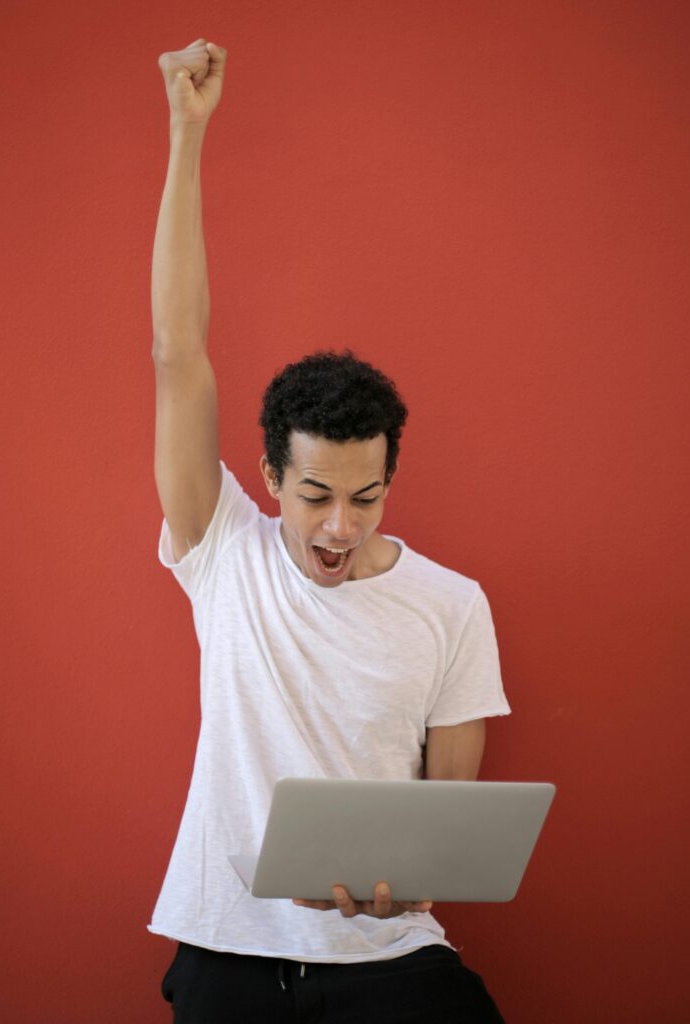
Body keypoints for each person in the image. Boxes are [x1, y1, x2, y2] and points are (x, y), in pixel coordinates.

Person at [150, 38, 511, 1023]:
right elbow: (177, 353)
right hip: (230, 952)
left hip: (390, 962)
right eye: (313, 495)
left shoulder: (450, 605)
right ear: (267, 477)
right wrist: (187, 134)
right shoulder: (224, 549)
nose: (338, 526)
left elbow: (443, 834)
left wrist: (413, 883)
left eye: (366, 495)